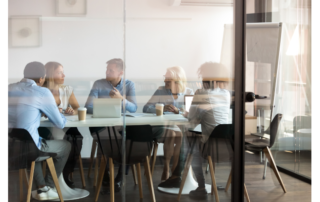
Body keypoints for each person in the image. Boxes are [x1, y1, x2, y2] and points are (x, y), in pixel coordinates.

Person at [159, 62, 231, 199]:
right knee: (189, 137)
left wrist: (189, 115)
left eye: (203, 76)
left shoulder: (201, 93)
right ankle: (177, 175)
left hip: (209, 146)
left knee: (188, 139)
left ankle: (198, 185)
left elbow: (191, 120)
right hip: (227, 144)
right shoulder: (226, 94)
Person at [7, 62, 71, 201]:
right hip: (30, 149)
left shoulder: (9, 88)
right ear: (42, 78)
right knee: (65, 146)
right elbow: (59, 124)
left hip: (10, 146)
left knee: (31, 142)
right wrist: (58, 112)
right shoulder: (42, 92)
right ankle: (48, 187)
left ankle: (42, 187)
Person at [85, 58, 137, 192]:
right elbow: (88, 106)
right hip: (101, 125)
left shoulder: (129, 85)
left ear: (120, 72)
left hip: (120, 126)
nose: (107, 72)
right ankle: (105, 175)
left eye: (110, 70)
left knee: (127, 140)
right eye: (107, 69)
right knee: (106, 138)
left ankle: (120, 176)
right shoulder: (98, 84)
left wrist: (120, 99)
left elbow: (133, 108)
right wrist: (107, 107)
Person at [143, 66, 194, 181]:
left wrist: (179, 111)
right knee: (171, 134)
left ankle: (175, 169)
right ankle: (166, 168)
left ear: (177, 80)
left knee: (180, 135)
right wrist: (161, 108)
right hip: (164, 126)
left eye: (168, 79)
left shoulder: (189, 92)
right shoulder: (161, 90)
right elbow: (146, 108)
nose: (165, 81)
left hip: (180, 127)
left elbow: (191, 112)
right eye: (165, 78)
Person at [43, 62, 82, 187]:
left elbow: (77, 108)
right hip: (47, 128)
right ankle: (53, 178)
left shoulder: (66, 90)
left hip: (65, 126)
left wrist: (71, 111)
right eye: (60, 72)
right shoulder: (41, 91)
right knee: (62, 141)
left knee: (77, 139)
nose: (63, 75)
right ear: (50, 74)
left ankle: (64, 175)